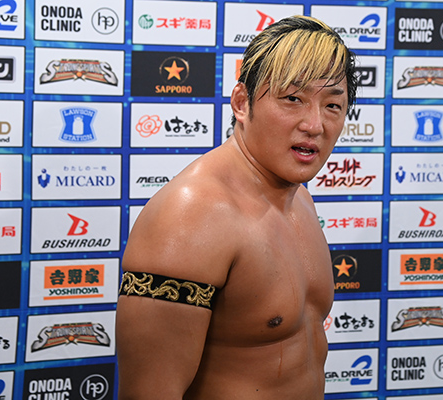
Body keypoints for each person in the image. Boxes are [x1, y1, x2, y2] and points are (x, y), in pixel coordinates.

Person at [116, 15, 357, 400]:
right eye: (293, 99)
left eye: (332, 105)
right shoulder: (192, 215)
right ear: (242, 103)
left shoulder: (300, 198)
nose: (315, 124)